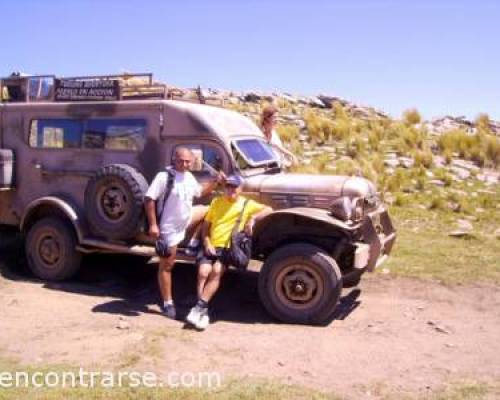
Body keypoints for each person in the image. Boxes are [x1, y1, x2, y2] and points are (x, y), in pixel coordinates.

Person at [144, 147, 224, 320]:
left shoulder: (188, 177)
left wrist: (216, 182)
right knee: (167, 265)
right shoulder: (164, 177)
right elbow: (149, 199)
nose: (185, 164)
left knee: (207, 211)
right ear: (174, 159)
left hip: (186, 221)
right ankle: (167, 303)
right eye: (181, 160)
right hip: (169, 228)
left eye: (188, 161)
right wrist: (153, 225)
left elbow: (200, 192)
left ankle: (195, 243)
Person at [186, 175, 273, 330]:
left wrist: (253, 218)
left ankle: (198, 308)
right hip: (212, 244)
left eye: (234, 187)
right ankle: (203, 310)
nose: (231, 189)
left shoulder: (246, 204)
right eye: (228, 186)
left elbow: (269, 209)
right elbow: (206, 226)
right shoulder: (216, 202)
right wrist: (206, 242)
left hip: (228, 248)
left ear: (240, 189)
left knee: (216, 271)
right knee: (203, 272)